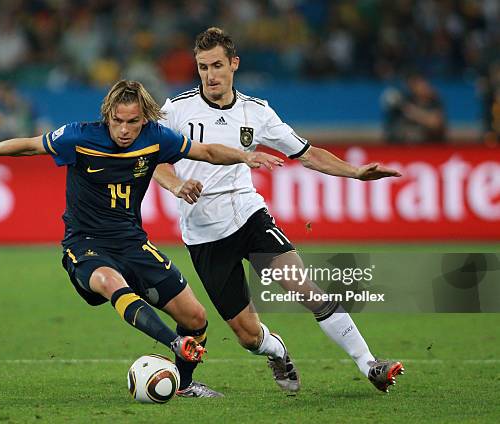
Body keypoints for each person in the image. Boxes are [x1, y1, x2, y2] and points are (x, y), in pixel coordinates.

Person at [0, 79, 283, 397]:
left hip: (132, 243)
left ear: (143, 119)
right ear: (107, 115)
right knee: (110, 282)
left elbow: (207, 151)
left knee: (195, 318)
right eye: (118, 121)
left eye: (133, 122)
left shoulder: (156, 137)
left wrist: (245, 156)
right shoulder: (79, 136)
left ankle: (184, 384)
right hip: (85, 244)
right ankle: (172, 343)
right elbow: (29, 145)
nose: (124, 130)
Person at [153, 27, 405, 396]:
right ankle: (276, 350)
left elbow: (307, 153)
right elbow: (153, 160)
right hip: (204, 233)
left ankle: (370, 364)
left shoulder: (256, 112)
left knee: (303, 287)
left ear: (234, 64)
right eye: (203, 67)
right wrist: (176, 185)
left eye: (217, 65)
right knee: (247, 335)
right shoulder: (175, 110)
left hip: (248, 215)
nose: (210, 75)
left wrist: (355, 173)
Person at [381, 73, 446, 143]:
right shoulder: (406, 101)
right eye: (417, 84)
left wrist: (413, 112)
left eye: (424, 83)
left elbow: (435, 123)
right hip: (405, 148)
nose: (423, 87)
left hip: (429, 147)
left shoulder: (434, 102)